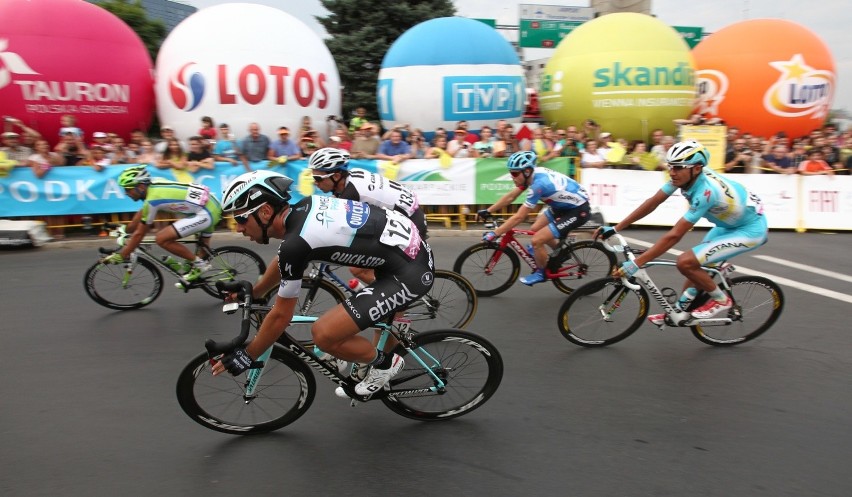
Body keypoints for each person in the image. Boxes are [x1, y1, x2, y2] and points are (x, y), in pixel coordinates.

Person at [210, 170, 433, 398]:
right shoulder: (304, 208)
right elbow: (284, 262)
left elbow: (280, 316)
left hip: (409, 272)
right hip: (402, 255)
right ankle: (368, 357)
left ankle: (385, 363)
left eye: (240, 219)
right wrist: (256, 291)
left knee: (324, 334)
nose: (238, 228)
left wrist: (248, 355)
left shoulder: (295, 243)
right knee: (337, 328)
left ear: (265, 212)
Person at [603, 140, 768, 324]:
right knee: (694, 265)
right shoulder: (686, 176)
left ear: (696, 168)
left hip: (750, 230)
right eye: (670, 167)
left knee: (686, 262)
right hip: (730, 224)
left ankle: (722, 300)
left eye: (678, 168)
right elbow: (653, 202)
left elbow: (675, 235)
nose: (672, 173)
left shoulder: (705, 192)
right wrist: (616, 227)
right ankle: (679, 312)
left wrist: (637, 263)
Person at [479, 150, 592, 286]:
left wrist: (495, 233)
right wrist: (488, 210)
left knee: (537, 240)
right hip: (563, 206)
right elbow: (510, 197)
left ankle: (542, 273)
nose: (512, 177)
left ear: (526, 171)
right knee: (535, 228)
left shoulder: (538, 185)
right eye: (511, 173)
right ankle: (561, 253)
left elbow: (519, 217)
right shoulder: (532, 175)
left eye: (514, 173)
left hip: (577, 210)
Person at [103, 165, 223, 283]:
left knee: (161, 239)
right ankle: (197, 269)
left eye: (128, 189)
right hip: (208, 204)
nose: (126, 193)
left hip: (206, 213)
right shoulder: (153, 185)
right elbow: (142, 213)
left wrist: (122, 255)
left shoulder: (152, 200)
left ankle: (200, 265)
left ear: (140, 187)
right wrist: (126, 229)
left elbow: (139, 234)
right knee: (202, 250)